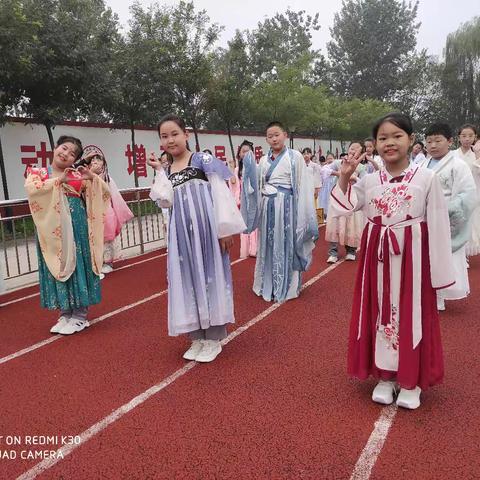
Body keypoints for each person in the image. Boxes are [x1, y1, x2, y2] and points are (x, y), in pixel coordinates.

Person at [330, 112, 455, 410]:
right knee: (379, 312)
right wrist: (346, 176)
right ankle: (385, 376)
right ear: (375, 143)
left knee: (413, 314)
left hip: (413, 259)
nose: (389, 143)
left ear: (411, 140)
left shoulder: (427, 178)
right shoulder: (371, 180)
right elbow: (344, 206)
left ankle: (411, 380)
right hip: (377, 257)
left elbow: (437, 224)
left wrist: (438, 272)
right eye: (382, 137)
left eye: (397, 136)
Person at [147, 114, 246, 363]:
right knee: (188, 280)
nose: (170, 140)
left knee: (210, 277)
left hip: (206, 232)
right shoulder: (167, 169)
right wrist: (160, 172)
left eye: (174, 134)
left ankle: (213, 337)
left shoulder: (202, 160)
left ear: (186, 134)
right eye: (164, 136)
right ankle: (197, 336)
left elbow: (220, 194)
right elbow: (164, 200)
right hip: (181, 236)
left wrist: (224, 229)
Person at [25, 136, 110, 335]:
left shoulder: (77, 174)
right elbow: (31, 189)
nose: (66, 154)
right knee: (57, 265)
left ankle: (80, 315)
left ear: (75, 160)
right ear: (55, 148)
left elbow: (103, 192)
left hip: (76, 226)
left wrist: (91, 177)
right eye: (64, 148)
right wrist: (58, 181)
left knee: (79, 264)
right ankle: (65, 313)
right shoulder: (38, 172)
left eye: (72, 154)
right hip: (52, 231)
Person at [240, 121, 318, 303]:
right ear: (266, 139)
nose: (274, 138)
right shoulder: (264, 160)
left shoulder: (295, 156)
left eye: (277, 134)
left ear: (285, 135)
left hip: (287, 207)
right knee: (268, 244)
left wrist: (302, 212)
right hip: (268, 206)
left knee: (287, 244)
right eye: (270, 136)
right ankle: (267, 283)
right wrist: (249, 166)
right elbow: (256, 185)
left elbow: (302, 185)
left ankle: (288, 285)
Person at [418, 123, 477, 311]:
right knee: (422, 256)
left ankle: (440, 297)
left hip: (445, 217)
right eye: (429, 141)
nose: (432, 145)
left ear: (450, 141)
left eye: (437, 140)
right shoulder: (420, 164)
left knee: (442, 257)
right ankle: (422, 294)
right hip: (422, 217)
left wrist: (446, 210)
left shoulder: (458, 165)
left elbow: (468, 194)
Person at [88, 145, 133, 276]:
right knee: (94, 238)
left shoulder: (107, 178)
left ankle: (107, 262)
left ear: (103, 164)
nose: (94, 162)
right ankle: (96, 262)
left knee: (107, 238)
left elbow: (113, 195)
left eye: (98, 160)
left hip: (106, 211)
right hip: (92, 212)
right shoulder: (86, 177)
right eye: (92, 160)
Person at [325, 142, 366, 263]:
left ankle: (351, 251)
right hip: (338, 196)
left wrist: (355, 179)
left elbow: (363, 182)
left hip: (353, 199)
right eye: (352, 148)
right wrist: (340, 174)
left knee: (352, 224)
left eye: (357, 149)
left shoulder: (361, 167)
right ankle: (333, 252)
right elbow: (324, 169)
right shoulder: (338, 162)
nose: (353, 151)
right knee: (335, 223)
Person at [455, 124, 480, 256]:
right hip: (456, 194)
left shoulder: (476, 155)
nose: (467, 139)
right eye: (464, 136)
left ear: (475, 137)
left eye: (470, 136)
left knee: (471, 225)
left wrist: (477, 155)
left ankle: (466, 254)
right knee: (456, 225)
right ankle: (458, 254)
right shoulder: (452, 155)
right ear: (459, 137)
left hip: (473, 194)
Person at [230, 140, 258, 259]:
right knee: (244, 224)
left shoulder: (257, 167)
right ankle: (245, 250)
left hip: (254, 199)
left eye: (248, 151)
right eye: (243, 151)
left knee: (255, 224)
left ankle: (255, 249)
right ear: (239, 154)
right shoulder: (237, 170)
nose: (245, 153)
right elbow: (233, 183)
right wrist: (231, 169)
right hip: (243, 199)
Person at [318, 153, 337, 217]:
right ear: (326, 160)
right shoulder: (325, 167)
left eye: (331, 158)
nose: (330, 160)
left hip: (334, 185)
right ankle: (324, 215)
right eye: (328, 158)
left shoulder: (336, 165)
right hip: (326, 186)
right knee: (325, 199)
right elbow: (325, 172)